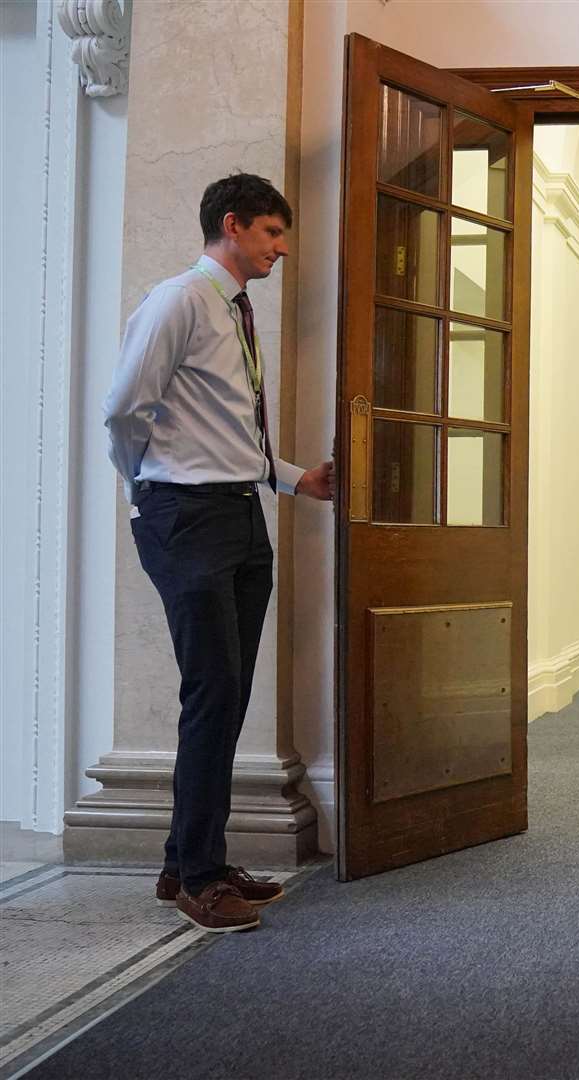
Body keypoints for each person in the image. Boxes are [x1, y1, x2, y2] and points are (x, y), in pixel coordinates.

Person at [104, 173, 335, 934]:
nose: (281, 247)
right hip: (190, 518)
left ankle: (186, 860)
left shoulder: (234, 312)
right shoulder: (179, 300)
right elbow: (122, 408)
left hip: (241, 515)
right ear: (232, 226)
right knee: (213, 692)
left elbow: (231, 435)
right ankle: (201, 877)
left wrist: (300, 481)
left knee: (228, 694)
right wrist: (153, 489)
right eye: (271, 233)